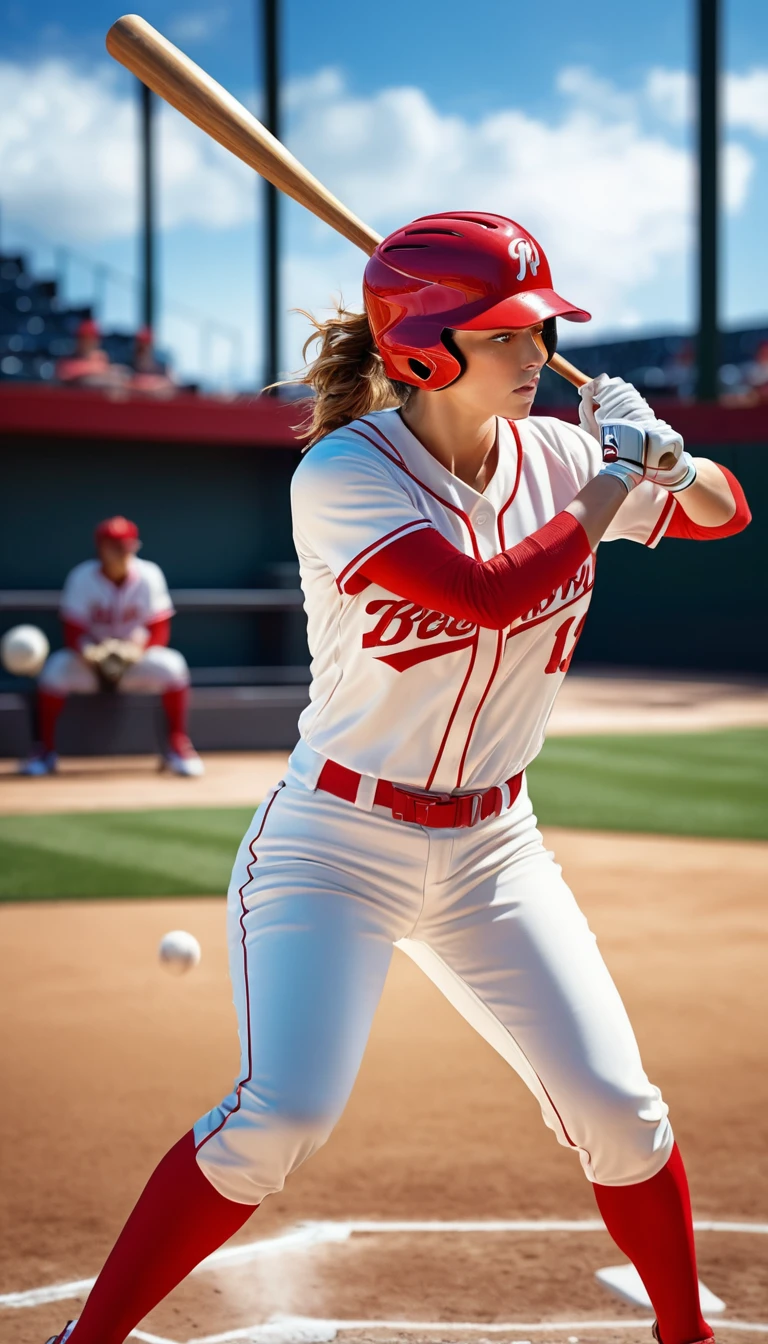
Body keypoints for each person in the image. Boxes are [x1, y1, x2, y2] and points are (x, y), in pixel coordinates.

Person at [44, 213, 750, 1344]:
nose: (538, 349)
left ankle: (687, 1336)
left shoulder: (567, 459)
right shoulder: (343, 474)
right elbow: (486, 595)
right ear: (426, 350)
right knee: (282, 1116)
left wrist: (674, 456)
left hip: (495, 851)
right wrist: (619, 475)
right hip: (336, 845)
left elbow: (727, 514)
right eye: (511, 331)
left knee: (622, 1112)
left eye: (543, 328)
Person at [22, 515, 203, 778]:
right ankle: (44, 750)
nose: (123, 552)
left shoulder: (149, 574)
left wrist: (135, 652)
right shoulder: (83, 577)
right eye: (116, 546)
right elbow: (72, 631)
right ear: (101, 548)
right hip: (91, 665)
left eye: (128, 546)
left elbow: (159, 629)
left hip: (134, 664)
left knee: (173, 665)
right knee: (54, 669)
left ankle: (178, 746)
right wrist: (90, 653)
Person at [55, 318, 129, 390]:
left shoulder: (102, 358)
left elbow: (122, 376)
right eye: (84, 339)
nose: (87, 343)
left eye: (91, 339)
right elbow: (64, 374)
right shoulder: (68, 360)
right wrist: (98, 369)